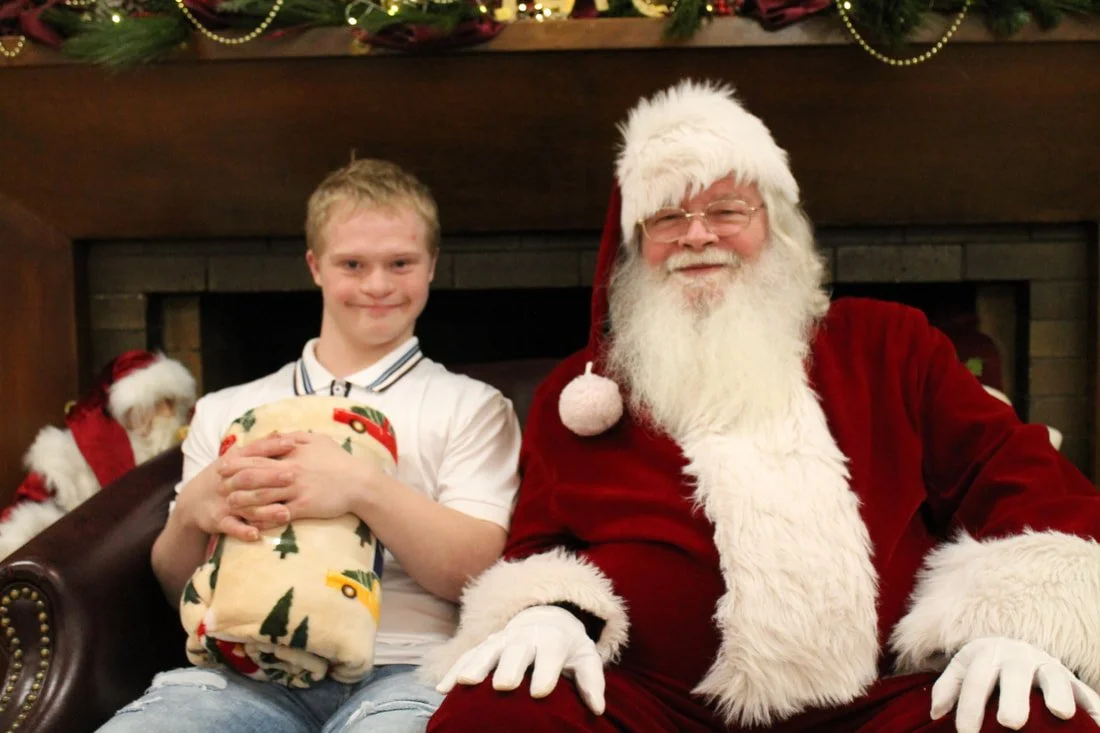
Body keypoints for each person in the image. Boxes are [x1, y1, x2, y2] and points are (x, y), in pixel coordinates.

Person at [423, 80, 1100, 733]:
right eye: (667, 217)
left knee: (1032, 713)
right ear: (636, 247)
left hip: (879, 703)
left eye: (726, 210)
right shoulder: (584, 391)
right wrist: (551, 612)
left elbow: (1023, 479)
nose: (696, 236)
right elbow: (541, 544)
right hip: (650, 703)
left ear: (773, 225)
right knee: (497, 710)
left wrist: (1019, 627)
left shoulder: (890, 344)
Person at [97, 159, 522, 733]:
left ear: (431, 267)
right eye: (353, 264)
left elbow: (478, 570)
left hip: (408, 668)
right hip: (241, 672)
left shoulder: (471, 406)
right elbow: (179, 585)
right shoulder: (227, 409)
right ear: (315, 267)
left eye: (401, 263)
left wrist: (361, 488)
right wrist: (194, 512)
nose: (378, 285)